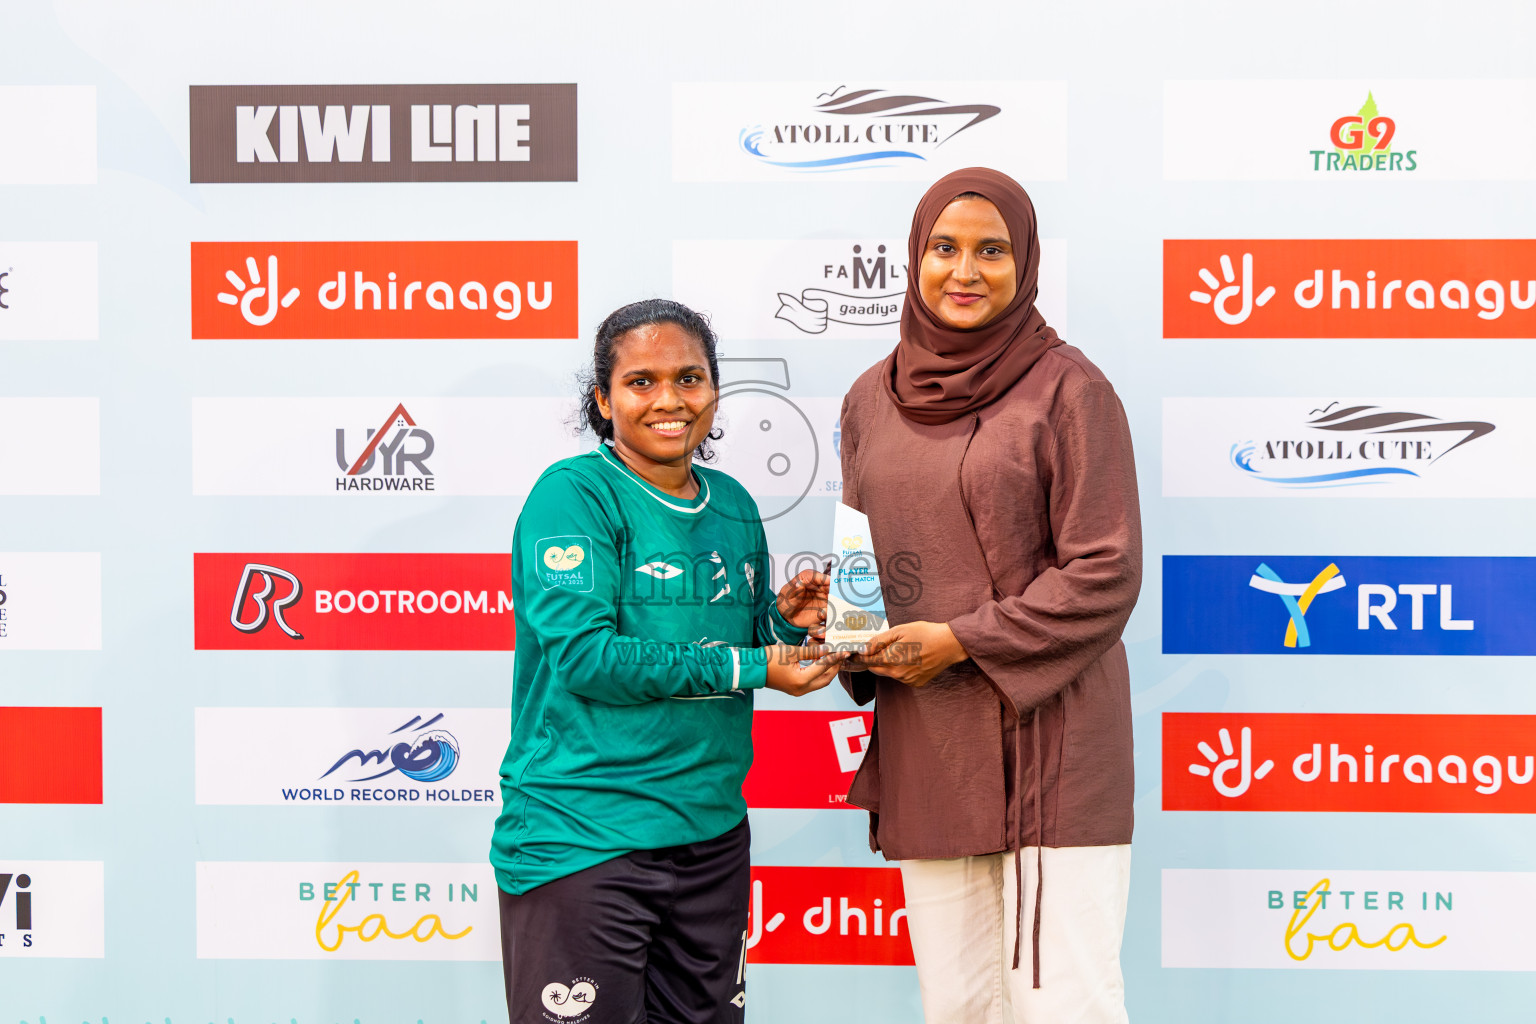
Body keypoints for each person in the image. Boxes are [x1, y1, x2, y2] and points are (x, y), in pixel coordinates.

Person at [838, 168, 1143, 1024]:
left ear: (1027, 265)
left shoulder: (1070, 391)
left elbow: (1106, 571)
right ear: (914, 257)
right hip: (932, 748)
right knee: (960, 1007)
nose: (963, 271)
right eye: (944, 248)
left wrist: (964, 640)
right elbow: (866, 574)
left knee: (1065, 1007)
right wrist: (837, 622)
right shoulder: (871, 398)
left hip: (1051, 747)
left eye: (991, 251)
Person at [492, 298, 847, 1024]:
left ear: (715, 390)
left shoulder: (736, 507)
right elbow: (588, 659)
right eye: (641, 382)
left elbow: (731, 639)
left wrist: (781, 620)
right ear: (603, 398)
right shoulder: (574, 496)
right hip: (586, 839)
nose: (669, 401)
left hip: (711, 837)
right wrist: (753, 667)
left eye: (689, 378)